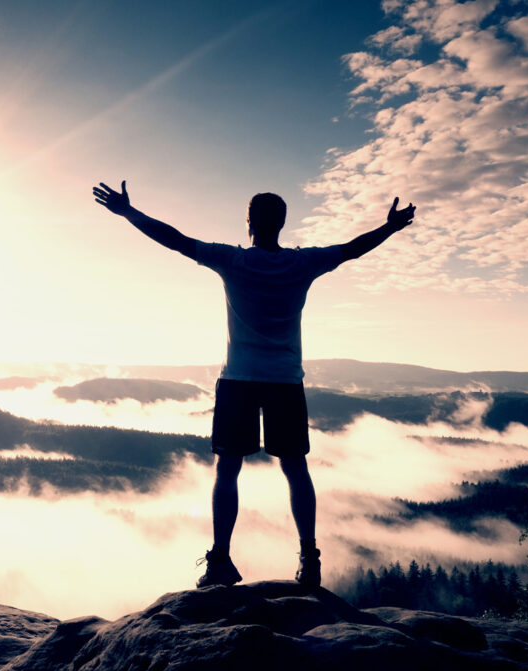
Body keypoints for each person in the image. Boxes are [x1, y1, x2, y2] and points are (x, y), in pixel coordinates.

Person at [92, 181, 415, 588]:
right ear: (282, 224)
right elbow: (352, 249)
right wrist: (389, 229)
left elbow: (174, 239)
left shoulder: (232, 261)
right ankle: (309, 559)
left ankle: (220, 560)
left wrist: (129, 213)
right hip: (285, 381)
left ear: (248, 222)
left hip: (239, 380)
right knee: (296, 470)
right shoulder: (303, 263)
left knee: (227, 470)